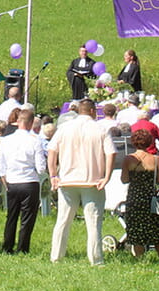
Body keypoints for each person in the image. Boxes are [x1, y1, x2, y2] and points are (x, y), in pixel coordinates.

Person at [48, 99, 115, 265]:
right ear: (93, 111)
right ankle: (96, 259)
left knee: (63, 220)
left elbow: (51, 151)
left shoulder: (64, 128)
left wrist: (53, 175)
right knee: (93, 223)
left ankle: (56, 256)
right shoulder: (100, 129)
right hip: (92, 182)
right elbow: (111, 153)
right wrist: (107, 176)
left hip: (68, 180)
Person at [0, 109, 46, 254]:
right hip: (29, 182)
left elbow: (1, 166)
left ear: (18, 121)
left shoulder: (6, 140)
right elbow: (41, 168)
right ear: (31, 123)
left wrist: (6, 182)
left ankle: (7, 246)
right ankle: (22, 248)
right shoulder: (35, 141)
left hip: (12, 181)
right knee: (27, 218)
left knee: (11, 216)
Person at [120, 128, 159, 263]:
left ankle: (140, 260)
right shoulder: (156, 159)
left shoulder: (128, 159)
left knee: (136, 232)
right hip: (150, 199)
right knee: (156, 231)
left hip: (134, 198)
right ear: (149, 142)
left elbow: (124, 180)